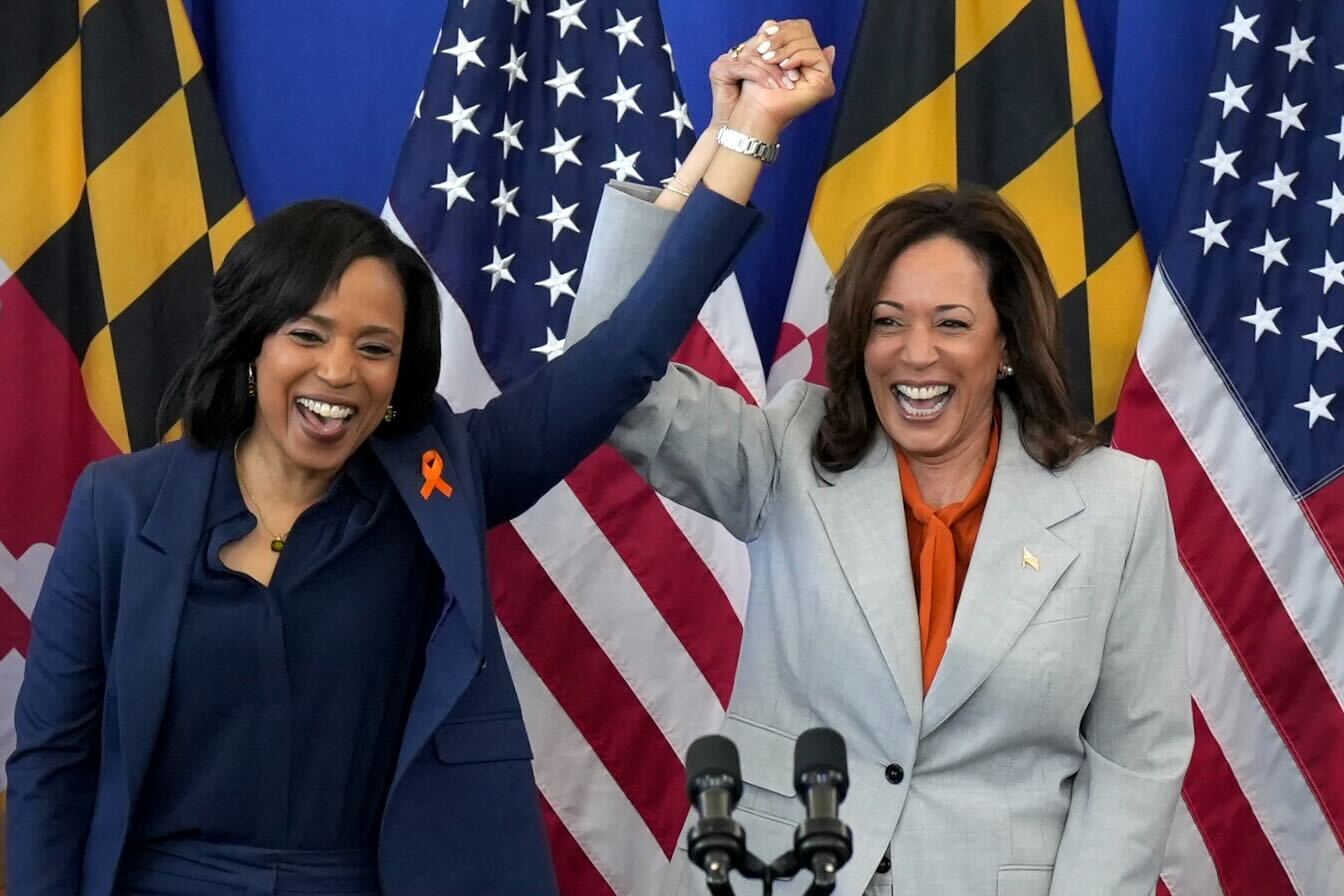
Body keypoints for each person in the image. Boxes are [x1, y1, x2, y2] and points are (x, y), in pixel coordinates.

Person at [5, 26, 835, 896]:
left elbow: (626, 354)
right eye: (308, 336)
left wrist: (747, 135)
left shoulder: (444, 481)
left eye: (375, 347)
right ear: (252, 345)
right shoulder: (120, 506)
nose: (337, 374)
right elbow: (54, 764)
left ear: (401, 372)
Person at [566, 37, 1194, 895]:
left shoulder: (1118, 502)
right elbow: (605, 380)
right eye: (889, 322)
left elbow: (1137, 760)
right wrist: (733, 134)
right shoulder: (788, 447)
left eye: (952, 324)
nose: (916, 354)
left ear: (1007, 344)